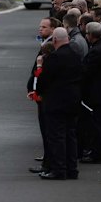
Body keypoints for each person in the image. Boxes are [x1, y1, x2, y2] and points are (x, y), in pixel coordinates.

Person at [36, 27, 82, 180]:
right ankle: (72, 168)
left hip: (56, 102)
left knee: (57, 136)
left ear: (55, 40)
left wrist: (40, 66)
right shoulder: (75, 55)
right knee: (71, 135)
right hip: (73, 100)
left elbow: (43, 81)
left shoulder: (54, 58)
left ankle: (59, 169)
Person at [27, 17, 59, 174]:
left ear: (53, 29)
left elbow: (43, 72)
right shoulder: (45, 43)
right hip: (40, 93)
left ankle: (49, 163)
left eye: (44, 27)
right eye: (40, 27)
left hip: (46, 95)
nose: (40, 29)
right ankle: (47, 160)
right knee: (45, 130)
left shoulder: (50, 46)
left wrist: (36, 88)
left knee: (48, 131)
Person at [80, 22, 101, 164]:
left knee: (97, 125)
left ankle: (98, 154)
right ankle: (98, 151)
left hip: (97, 94)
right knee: (100, 124)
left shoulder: (96, 51)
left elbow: (87, 71)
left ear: (91, 35)